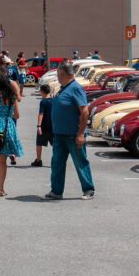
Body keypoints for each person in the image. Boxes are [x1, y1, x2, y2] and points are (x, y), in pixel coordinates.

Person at [44, 62, 95, 200]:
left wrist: (81, 134)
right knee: (57, 164)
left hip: (73, 135)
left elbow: (84, 111)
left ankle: (88, 189)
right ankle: (56, 191)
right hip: (59, 134)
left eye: (58, 74)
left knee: (80, 163)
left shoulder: (75, 88)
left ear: (63, 74)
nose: (57, 77)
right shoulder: (63, 88)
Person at [34, 83, 53, 167]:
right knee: (55, 144)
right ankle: (56, 160)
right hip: (53, 126)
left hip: (44, 126)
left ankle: (38, 160)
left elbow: (41, 114)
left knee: (39, 143)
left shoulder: (43, 102)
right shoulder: (54, 100)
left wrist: (39, 126)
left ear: (42, 92)